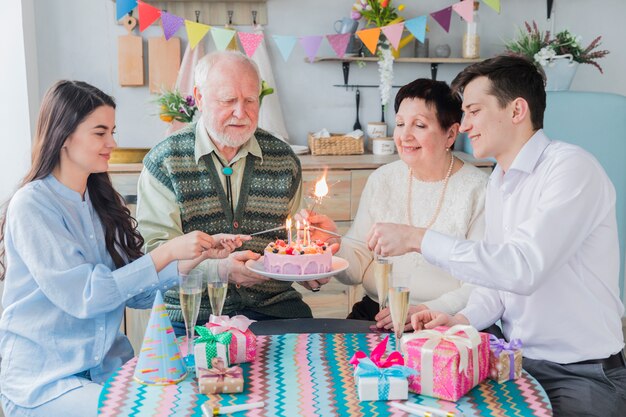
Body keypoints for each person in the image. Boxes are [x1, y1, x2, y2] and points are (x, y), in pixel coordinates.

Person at [368, 55, 626, 416]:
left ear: (517, 110)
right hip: (515, 361)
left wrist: (418, 238)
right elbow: (497, 283)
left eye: (474, 110)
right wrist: (461, 320)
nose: (465, 123)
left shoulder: (571, 168)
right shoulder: (500, 182)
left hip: (580, 372)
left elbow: (523, 268)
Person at [0, 81, 244, 417]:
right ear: (64, 135)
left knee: (202, 402)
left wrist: (196, 255)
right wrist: (168, 252)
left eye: (112, 131)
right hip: (48, 380)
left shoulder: (100, 202)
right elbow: (89, 296)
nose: (112, 143)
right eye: (100, 133)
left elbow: (137, 294)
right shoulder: (32, 206)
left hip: (107, 369)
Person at [136, 51, 335, 334]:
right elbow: (157, 259)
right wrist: (219, 271)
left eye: (250, 100)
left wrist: (312, 267)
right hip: (191, 316)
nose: (241, 113)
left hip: (277, 312)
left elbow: (295, 244)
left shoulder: (283, 159)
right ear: (200, 98)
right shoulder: (165, 161)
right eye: (228, 101)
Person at [335, 78, 487, 331]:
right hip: (376, 315)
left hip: (443, 321)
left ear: (450, 133)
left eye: (419, 125)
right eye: (400, 124)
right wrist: (333, 249)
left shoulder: (479, 189)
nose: (405, 136)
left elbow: (482, 283)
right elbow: (357, 263)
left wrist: (429, 310)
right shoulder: (382, 178)